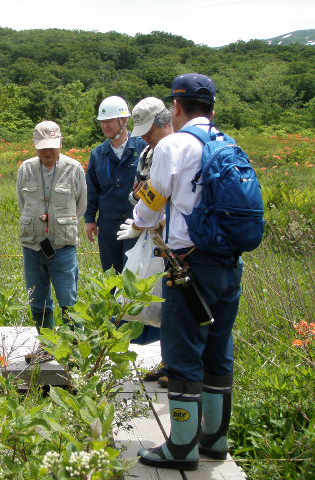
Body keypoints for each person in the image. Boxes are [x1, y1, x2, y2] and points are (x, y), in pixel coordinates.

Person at [123, 74, 244, 471]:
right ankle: (215, 441)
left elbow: (152, 205)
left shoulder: (174, 144)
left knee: (182, 351)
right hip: (229, 263)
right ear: (212, 106)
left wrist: (140, 214)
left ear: (175, 107)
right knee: (219, 349)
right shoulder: (227, 142)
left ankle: (181, 447)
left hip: (189, 265)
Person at [119, 96, 174, 384]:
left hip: (178, 240)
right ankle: (168, 363)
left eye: (149, 132)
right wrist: (140, 201)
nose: (147, 139)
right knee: (164, 301)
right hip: (154, 239)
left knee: (177, 305)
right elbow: (137, 193)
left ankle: (180, 367)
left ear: (163, 122)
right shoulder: (146, 155)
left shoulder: (179, 149)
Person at [17, 121, 87, 336]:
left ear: (61, 143)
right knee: (38, 299)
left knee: (68, 298)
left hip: (63, 247)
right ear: (35, 145)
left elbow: (81, 205)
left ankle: (74, 348)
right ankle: (47, 346)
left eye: (52, 145)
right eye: (43, 146)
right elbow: (22, 202)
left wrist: (58, 221)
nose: (48, 151)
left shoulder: (73, 169)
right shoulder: (25, 169)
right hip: (33, 245)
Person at [84, 96, 147, 274]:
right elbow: (92, 189)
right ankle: (112, 303)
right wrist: (89, 219)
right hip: (108, 224)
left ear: (124, 120)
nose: (105, 126)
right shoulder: (98, 154)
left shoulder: (142, 147)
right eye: (102, 121)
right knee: (111, 274)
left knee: (134, 274)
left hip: (136, 221)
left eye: (109, 120)